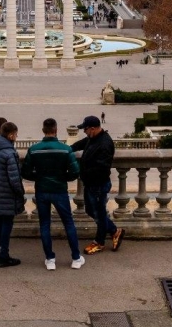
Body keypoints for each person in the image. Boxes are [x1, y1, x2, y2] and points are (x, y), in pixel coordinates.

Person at [22, 118, 84, 270]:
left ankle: (50, 259)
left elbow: (25, 172)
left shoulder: (34, 149)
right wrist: (63, 178)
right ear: (56, 130)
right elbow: (75, 171)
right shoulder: (65, 149)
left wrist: (39, 178)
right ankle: (76, 258)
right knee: (68, 223)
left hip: (42, 190)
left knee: (44, 224)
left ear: (43, 130)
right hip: (59, 190)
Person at [71, 115, 124, 255]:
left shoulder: (105, 143)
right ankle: (114, 230)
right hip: (91, 184)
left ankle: (99, 242)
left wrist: (82, 170)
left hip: (98, 185)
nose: (84, 132)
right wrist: (66, 149)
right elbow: (80, 144)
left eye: (85, 129)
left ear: (93, 128)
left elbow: (103, 168)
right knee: (91, 211)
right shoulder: (93, 138)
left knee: (99, 214)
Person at [0, 121, 25, 268]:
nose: (17, 136)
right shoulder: (10, 153)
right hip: (8, 195)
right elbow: (15, 179)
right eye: (16, 134)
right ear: (10, 135)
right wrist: (20, 193)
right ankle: (4, 257)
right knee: (6, 226)